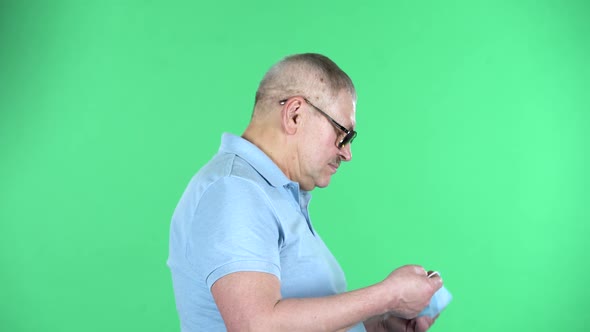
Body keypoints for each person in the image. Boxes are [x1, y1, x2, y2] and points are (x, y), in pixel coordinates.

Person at [167, 53, 443, 331]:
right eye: (343, 134)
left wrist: (378, 325)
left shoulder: (272, 195)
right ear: (295, 114)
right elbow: (257, 326)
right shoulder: (234, 190)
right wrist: (389, 296)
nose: (346, 153)